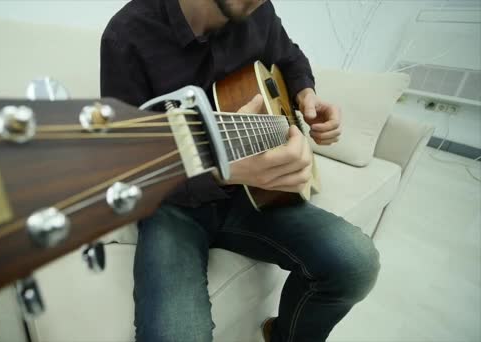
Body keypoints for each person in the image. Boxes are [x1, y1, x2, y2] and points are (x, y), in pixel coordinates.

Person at [100, 1, 380, 341]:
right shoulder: (126, 34)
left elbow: (290, 58)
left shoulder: (259, 10)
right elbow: (129, 165)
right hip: (173, 207)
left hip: (254, 196)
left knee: (355, 263)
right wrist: (222, 172)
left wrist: (306, 94)